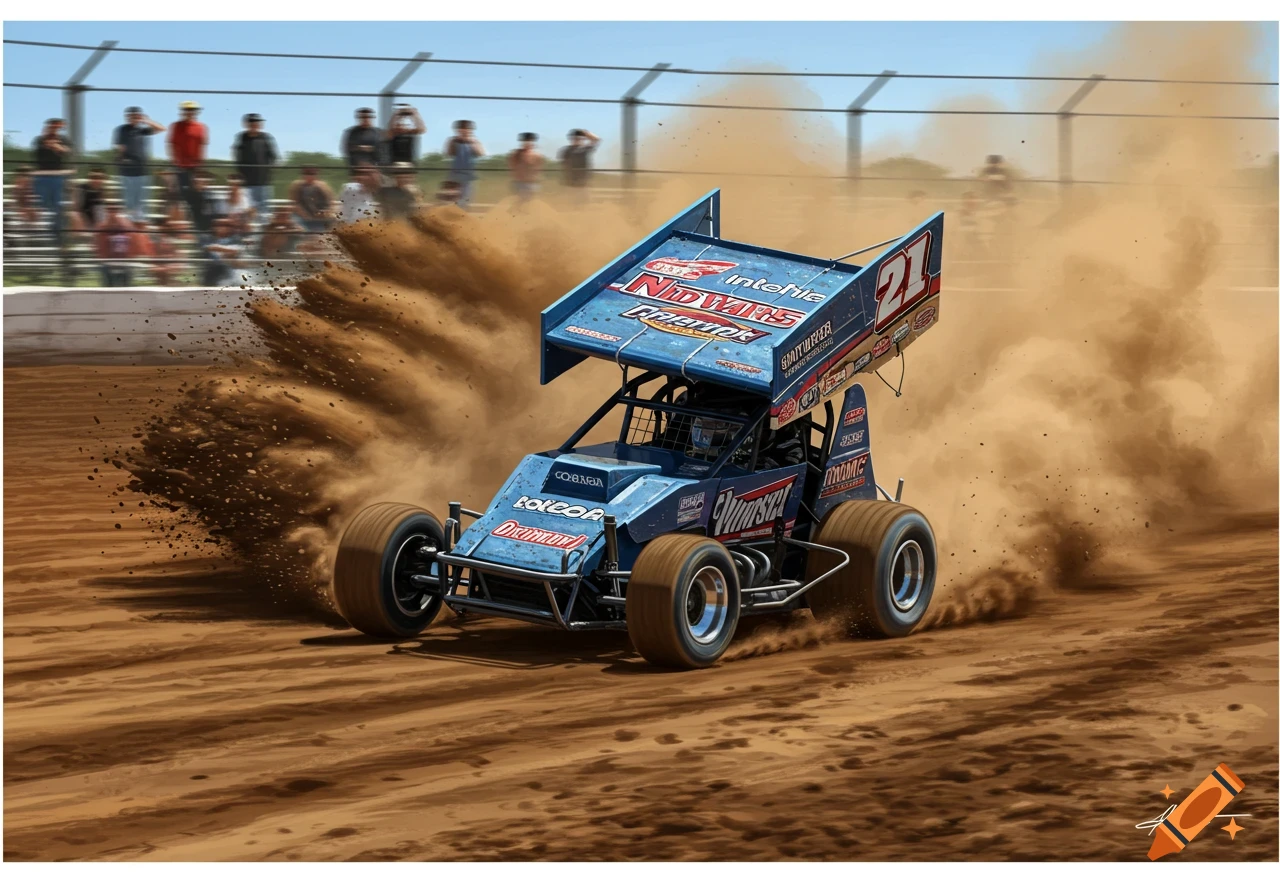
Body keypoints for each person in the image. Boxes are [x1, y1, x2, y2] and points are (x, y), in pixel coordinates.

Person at [112, 106, 164, 223]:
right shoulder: (122, 129)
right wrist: (121, 162)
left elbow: (161, 128)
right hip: (127, 171)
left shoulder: (142, 130)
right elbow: (120, 148)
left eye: (136, 116)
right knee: (129, 200)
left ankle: (141, 224)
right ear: (127, 117)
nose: (134, 118)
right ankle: (130, 224)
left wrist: (146, 121)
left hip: (142, 170)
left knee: (142, 200)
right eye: (131, 116)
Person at [31, 117, 73, 240]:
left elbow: (68, 152)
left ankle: (56, 232)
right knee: (45, 204)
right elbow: (38, 151)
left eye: (57, 126)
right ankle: (51, 228)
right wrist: (51, 144)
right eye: (52, 126)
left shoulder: (63, 139)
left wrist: (57, 146)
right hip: (42, 176)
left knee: (58, 205)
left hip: (57, 176)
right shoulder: (39, 139)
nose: (55, 129)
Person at [167, 101, 209, 217]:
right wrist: (174, 162)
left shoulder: (201, 127)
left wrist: (201, 164)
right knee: (181, 194)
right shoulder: (176, 126)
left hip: (195, 168)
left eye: (192, 110)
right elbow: (171, 144)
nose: (190, 113)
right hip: (180, 167)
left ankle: (198, 222)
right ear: (182, 112)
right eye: (187, 110)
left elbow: (203, 145)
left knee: (197, 195)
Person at [231, 113, 279, 214]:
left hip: (263, 183)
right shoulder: (241, 138)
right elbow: (236, 157)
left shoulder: (266, 138)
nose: (254, 124)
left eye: (257, 122)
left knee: (264, 213)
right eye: (251, 122)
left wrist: (268, 172)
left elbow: (274, 157)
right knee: (246, 210)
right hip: (246, 184)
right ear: (246, 124)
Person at [444, 120, 485, 208]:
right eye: (462, 128)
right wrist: (456, 141)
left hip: (468, 176)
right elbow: (448, 153)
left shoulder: (475, 141)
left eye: (467, 128)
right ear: (458, 130)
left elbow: (481, 153)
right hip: (454, 175)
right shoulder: (453, 141)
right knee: (451, 200)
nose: (464, 130)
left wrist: (471, 142)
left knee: (465, 201)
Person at [94, 205, 136, 287]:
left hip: (124, 263)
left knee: (126, 289)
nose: (113, 214)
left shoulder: (126, 225)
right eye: (110, 211)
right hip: (107, 264)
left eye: (115, 211)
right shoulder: (102, 227)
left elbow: (132, 244)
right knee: (108, 288)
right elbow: (99, 248)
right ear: (106, 212)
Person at [288, 166, 335, 232]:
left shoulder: (323, 186)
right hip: (302, 217)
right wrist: (305, 216)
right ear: (302, 175)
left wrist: (327, 212)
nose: (309, 176)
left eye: (312, 174)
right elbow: (294, 203)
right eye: (306, 174)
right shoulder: (296, 185)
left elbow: (330, 202)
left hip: (320, 217)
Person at [185, 170, 226, 245]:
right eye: (202, 180)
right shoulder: (191, 194)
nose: (205, 183)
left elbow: (217, 212)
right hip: (201, 230)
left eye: (206, 181)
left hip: (212, 230)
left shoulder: (210, 194)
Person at [201, 216, 244, 286]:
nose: (222, 227)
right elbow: (207, 248)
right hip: (210, 269)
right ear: (213, 227)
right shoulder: (206, 237)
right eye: (219, 225)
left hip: (230, 269)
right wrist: (227, 250)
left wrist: (217, 248)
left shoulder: (235, 238)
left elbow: (236, 250)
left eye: (227, 225)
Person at [558, 128, 601, 194]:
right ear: (571, 139)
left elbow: (596, 139)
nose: (576, 140)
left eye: (579, 138)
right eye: (574, 138)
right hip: (570, 183)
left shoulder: (585, 149)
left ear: (583, 139)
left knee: (584, 203)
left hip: (583, 183)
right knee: (569, 202)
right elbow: (563, 165)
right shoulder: (566, 150)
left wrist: (585, 133)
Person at [70, 168, 109, 235]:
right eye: (93, 177)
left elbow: (102, 210)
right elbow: (76, 208)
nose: (96, 180)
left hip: (96, 220)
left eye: (100, 178)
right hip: (84, 219)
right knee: (75, 214)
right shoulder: (81, 189)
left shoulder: (101, 190)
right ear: (89, 178)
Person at [148, 217, 185, 286]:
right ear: (160, 227)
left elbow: (176, 253)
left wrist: (175, 264)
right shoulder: (155, 238)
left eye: (168, 226)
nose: (166, 228)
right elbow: (153, 254)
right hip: (160, 264)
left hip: (169, 264)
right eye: (164, 226)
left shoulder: (171, 238)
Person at [508, 132, 544, 201]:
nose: (528, 143)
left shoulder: (537, 155)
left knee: (530, 202)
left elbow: (538, 169)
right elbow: (512, 167)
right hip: (520, 183)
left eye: (530, 141)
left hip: (532, 183)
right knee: (521, 201)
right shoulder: (516, 154)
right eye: (525, 141)